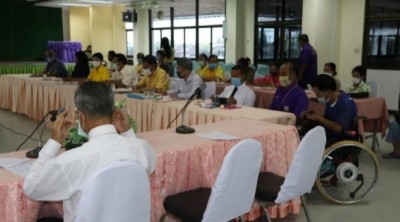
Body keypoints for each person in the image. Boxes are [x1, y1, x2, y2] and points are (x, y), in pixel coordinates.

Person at [23, 81, 156, 222]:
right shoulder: (142, 148)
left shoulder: (71, 161)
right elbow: (149, 167)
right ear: (113, 111)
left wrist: (54, 142)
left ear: (81, 116)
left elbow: (31, 188)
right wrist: (127, 132)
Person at [303, 74, 357, 147]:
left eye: (318, 94)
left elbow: (339, 129)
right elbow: (330, 119)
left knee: (310, 143)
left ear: (328, 92)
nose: (317, 97)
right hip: (330, 134)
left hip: (343, 139)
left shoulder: (345, 103)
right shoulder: (330, 100)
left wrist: (319, 118)